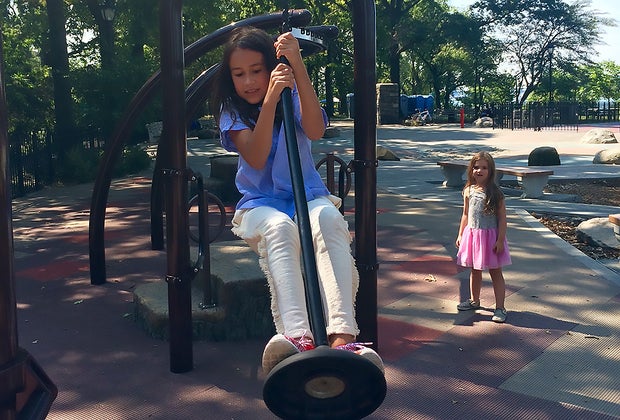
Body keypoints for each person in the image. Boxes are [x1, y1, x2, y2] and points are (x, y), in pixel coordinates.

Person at [211, 26, 384, 374]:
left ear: (272, 67)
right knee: (279, 228)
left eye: (257, 70)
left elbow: (316, 130)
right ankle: (296, 335)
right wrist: (270, 100)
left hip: (307, 195)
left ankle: (343, 336)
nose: (249, 81)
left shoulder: (291, 95)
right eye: (239, 74)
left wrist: (297, 66)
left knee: (328, 219)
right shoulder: (232, 110)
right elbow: (256, 156)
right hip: (260, 203)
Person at [455, 151, 511, 323]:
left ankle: (500, 308)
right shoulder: (468, 190)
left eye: (484, 168)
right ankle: (474, 300)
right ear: (471, 169)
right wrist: (461, 234)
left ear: (491, 170)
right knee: (475, 270)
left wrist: (500, 239)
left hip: (491, 238)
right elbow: (465, 214)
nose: (479, 171)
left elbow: (502, 218)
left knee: (495, 272)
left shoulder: (496, 193)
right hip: (473, 236)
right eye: (476, 167)